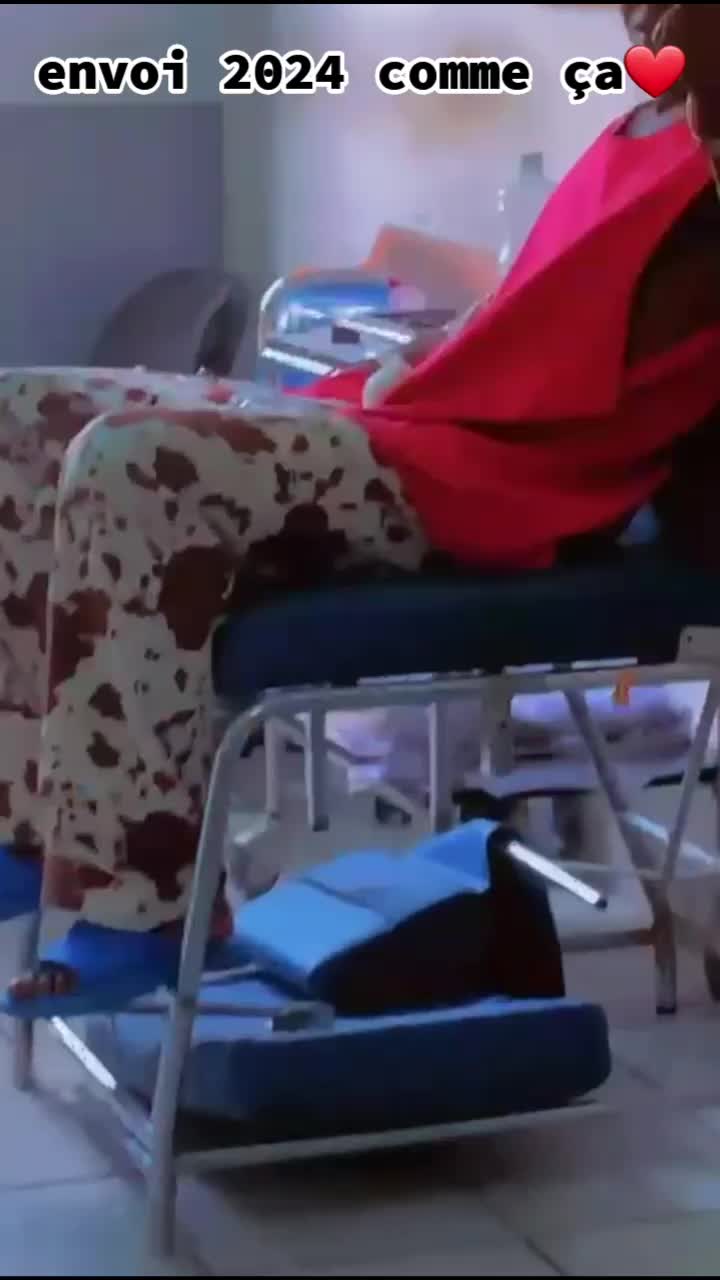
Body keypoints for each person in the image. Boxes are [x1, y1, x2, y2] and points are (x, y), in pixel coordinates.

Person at [2, 1, 719, 1009]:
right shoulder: (637, 121)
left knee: (131, 463)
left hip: (502, 481)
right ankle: (30, 824)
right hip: (422, 417)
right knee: (20, 414)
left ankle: (142, 906)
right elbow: (536, 311)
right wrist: (440, 349)